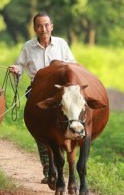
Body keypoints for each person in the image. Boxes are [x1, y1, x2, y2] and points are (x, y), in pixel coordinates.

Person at [8, 12, 76, 184]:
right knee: (39, 128)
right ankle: (48, 167)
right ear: (34, 28)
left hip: (61, 92)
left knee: (68, 124)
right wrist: (16, 70)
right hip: (37, 90)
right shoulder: (28, 47)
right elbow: (20, 66)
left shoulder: (61, 44)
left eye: (46, 25)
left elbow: (72, 65)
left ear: (52, 26)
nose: (43, 29)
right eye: (39, 25)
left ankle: (67, 161)